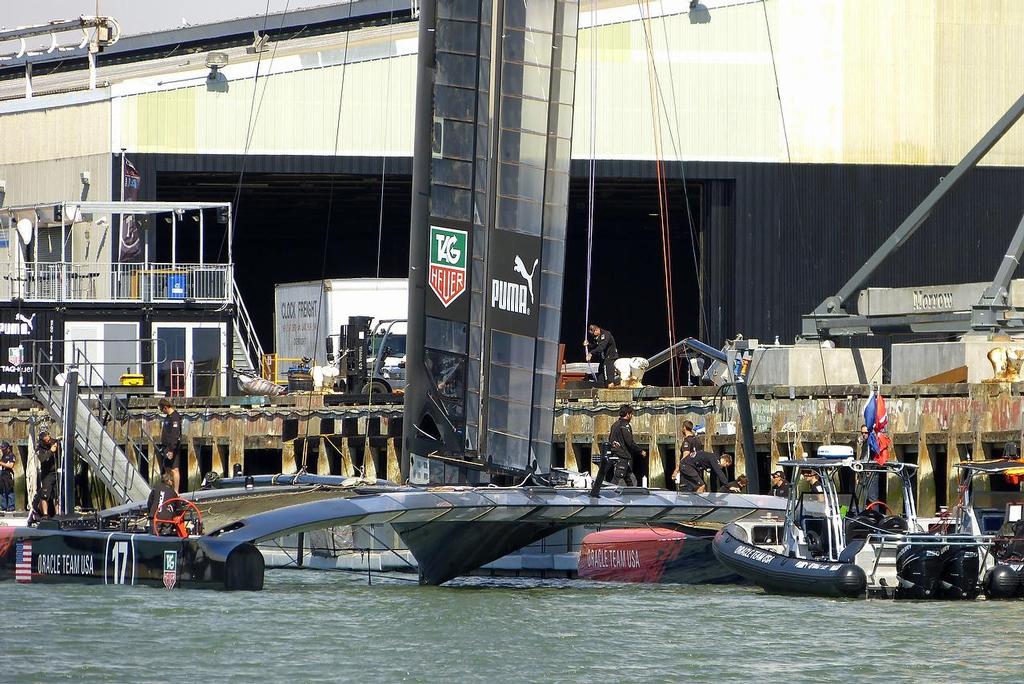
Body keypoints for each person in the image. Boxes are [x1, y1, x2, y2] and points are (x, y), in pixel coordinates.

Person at [607, 404, 645, 486]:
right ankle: (608, 494)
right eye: (631, 414)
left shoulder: (615, 424)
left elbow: (610, 439)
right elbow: (629, 442)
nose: (632, 416)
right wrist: (640, 451)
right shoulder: (625, 425)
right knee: (617, 480)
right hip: (621, 457)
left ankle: (631, 496)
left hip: (616, 455)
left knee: (632, 480)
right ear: (627, 414)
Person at [159, 398, 183, 491]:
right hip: (166, 447)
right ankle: (169, 489)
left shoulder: (175, 417)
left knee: (174, 469)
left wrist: (171, 450)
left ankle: (176, 491)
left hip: (172, 448)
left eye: (162, 409)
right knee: (167, 468)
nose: (162, 411)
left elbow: (175, 434)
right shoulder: (167, 417)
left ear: (165, 407)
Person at [35, 431, 59, 518]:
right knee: (45, 495)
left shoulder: (55, 442)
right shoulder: (39, 448)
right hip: (47, 474)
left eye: (48, 438)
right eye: (46, 440)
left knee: (57, 495)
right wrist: (51, 451)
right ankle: (45, 514)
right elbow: (42, 459)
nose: (48, 441)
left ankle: (57, 514)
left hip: (56, 472)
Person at [147, 471, 179, 536]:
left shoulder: (156, 488)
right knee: (166, 535)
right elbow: (178, 508)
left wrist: (150, 512)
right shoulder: (173, 493)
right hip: (168, 519)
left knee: (153, 535)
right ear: (170, 481)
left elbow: (149, 502)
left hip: (155, 517)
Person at [671, 420, 703, 485]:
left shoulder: (687, 441)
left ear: (684, 428)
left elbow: (685, 456)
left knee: (686, 491)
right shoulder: (697, 440)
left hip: (688, 471)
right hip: (697, 470)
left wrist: (676, 470)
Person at [0, 441, 15, 512]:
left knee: (9, 491)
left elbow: (11, 465)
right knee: (2, 491)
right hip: (2, 474)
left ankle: (11, 506)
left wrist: (1, 463)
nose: (3, 450)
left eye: (4, 449)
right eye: (2, 449)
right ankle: (4, 507)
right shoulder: (3, 456)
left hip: (8, 475)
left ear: (8, 448)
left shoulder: (11, 455)